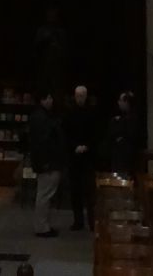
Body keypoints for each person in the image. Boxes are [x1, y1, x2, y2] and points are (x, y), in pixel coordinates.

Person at [28, 91, 64, 238]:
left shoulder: (40, 116)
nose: (51, 101)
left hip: (46, 161)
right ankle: (42, 227)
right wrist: (45, 162)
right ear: (42, 100)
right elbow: (43, 142)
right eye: (48, 98)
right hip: (48, 162)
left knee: (44, 194)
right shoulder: (42, 118)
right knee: (44, 195)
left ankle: (42, 225)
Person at [63, 84, 96, 230]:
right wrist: (74, 146)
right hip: (74, 156)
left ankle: (92, 220)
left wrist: (87, 146)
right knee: (75, 191)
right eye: (78, 96)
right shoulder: (69, 113)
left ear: (86, 96)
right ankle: (78, 221)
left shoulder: (92, 112)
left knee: (89, 191)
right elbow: (66, 133)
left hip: (88, 157)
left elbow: (95, 133)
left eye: (82, 96)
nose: (80, 98)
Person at [104, 91, 139, 176]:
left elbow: (129, 135)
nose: (118, 102)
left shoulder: (132, 118)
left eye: (121, 100)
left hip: (126, 156)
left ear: (126, 102)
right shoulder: (121, 117)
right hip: (118, 155)